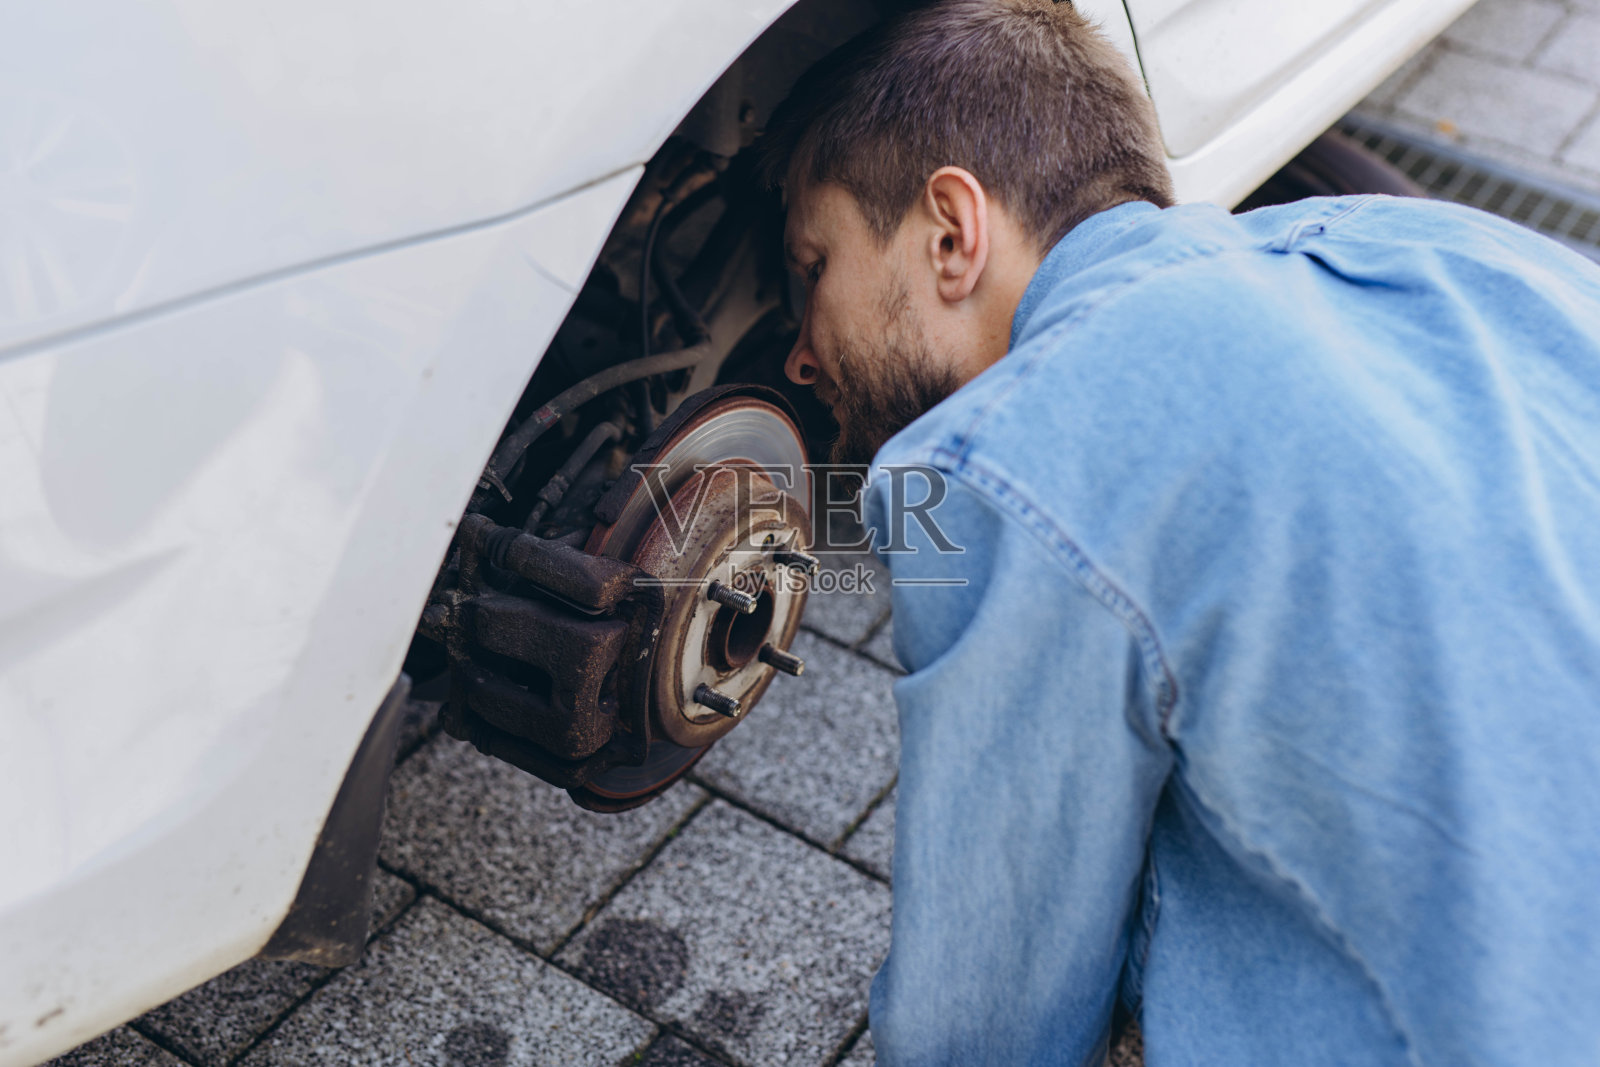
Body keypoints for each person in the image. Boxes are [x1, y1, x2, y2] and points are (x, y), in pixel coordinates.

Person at [758, 1, 1600, 1064]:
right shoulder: (1458, 246)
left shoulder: (985, 464)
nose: (797, 352)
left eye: (813, 266)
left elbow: (979, 1030)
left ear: (950, 232)